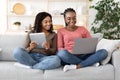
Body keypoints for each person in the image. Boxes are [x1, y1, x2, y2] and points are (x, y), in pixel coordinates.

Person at [57, 8, 108, 72]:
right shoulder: (60, 31)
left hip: (83, 55)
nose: (72, 20)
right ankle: (89, 63)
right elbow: (59, 48)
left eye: (74, 18)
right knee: (61, 54)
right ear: (65, 19)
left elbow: (90, 42)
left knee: (104, 52)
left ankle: (77, 66)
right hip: (70, 56)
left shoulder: (82, 29)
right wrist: (70, 51)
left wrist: (86, 49)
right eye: (69, 18)